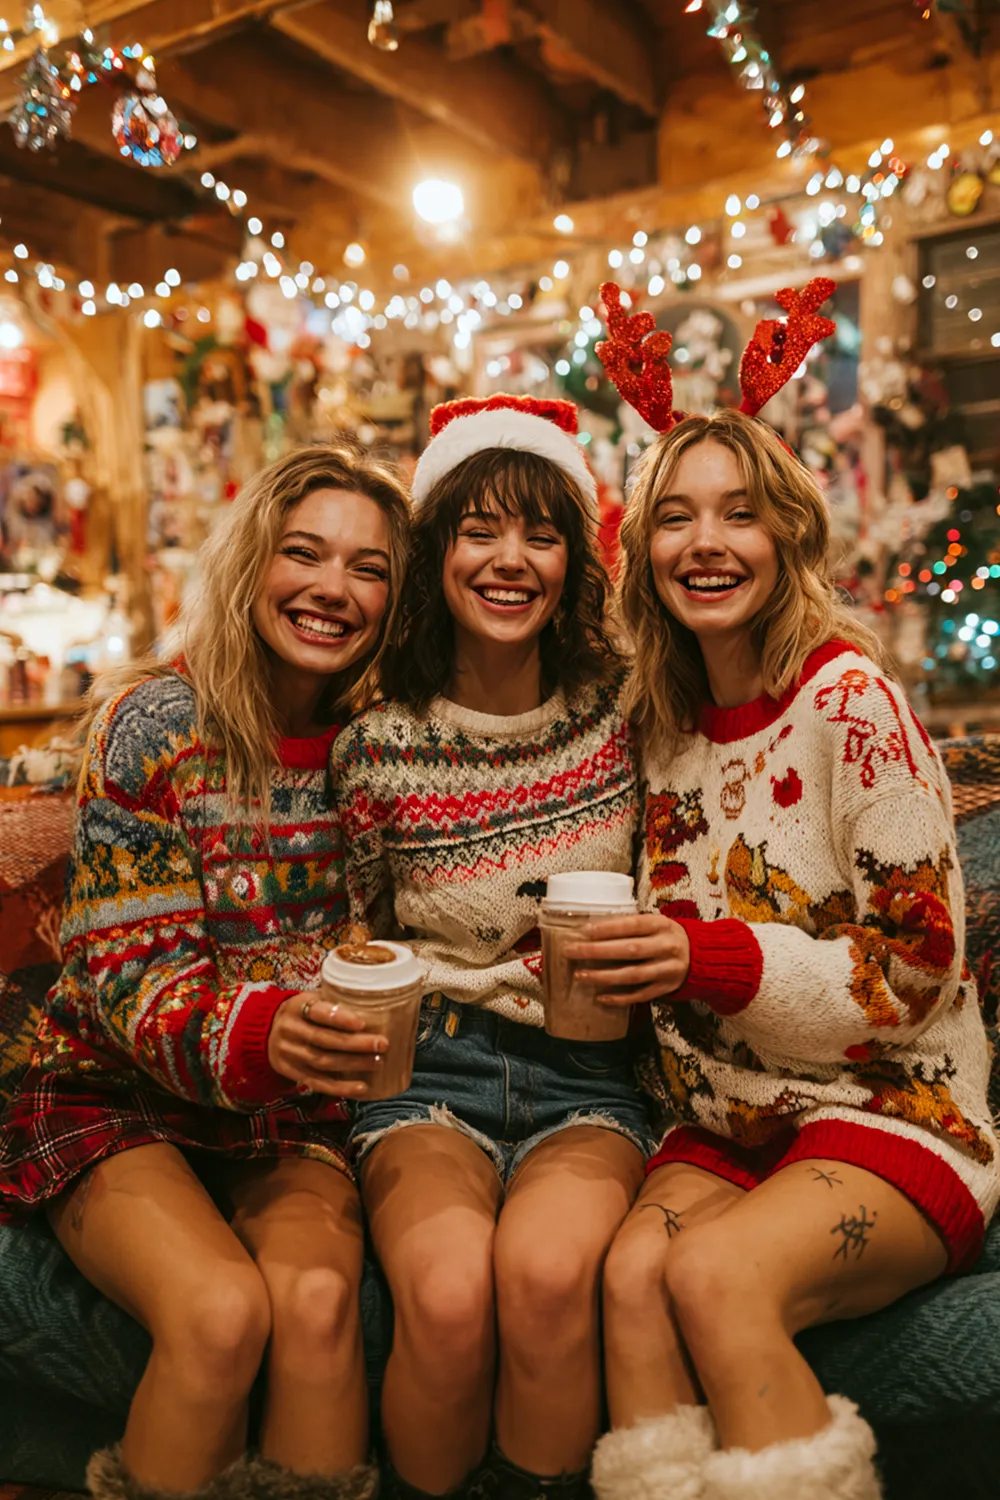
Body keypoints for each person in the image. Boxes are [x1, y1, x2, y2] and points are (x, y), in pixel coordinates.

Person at [572, 284, 1000, 1500]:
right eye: (676, 520)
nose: (706, 543)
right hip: (729, 1122)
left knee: (710, 1277)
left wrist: (712, 961)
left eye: (740, 516)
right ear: (642, 553)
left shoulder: (849, 705)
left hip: (895, 1109)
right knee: (625, 1281)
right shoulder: (658, 728)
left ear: (787, 537)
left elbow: (916, 973)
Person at [0, 444, 410, 1500]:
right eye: (303, 553)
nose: (332, 588)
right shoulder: (155, 725)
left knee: (317, 1309)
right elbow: (128, 976)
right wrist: (269, 1029)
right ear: (250, 564)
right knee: (221, 1310)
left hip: (288, 1109)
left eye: (368, 568)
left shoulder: (379, 746)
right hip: (116, 1086)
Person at [330, 395, 652, 1500]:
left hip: (588, 1071)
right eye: (479, 530)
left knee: (551, 1272)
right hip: (432, 1069)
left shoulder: (625, 713)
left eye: (541, 532)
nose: (510, 560)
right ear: (436, 553)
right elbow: (349, 935)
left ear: (575, 558)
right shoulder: (375, 746)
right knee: (450, 1289)